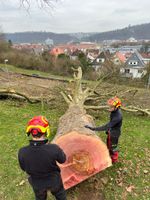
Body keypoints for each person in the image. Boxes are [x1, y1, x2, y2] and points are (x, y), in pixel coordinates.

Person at [18, 116, 67, 200]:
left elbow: (23, 168)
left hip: (37, 182)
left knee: (40, 197)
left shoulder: (22, 151)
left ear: (29, 132)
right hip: (54, 181)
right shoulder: (53, 148)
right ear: (46, 131)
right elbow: (63, 160)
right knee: (60, 195)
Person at [85, 97, 122, 163]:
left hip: (114, 133)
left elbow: (106, 126)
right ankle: (109, 154)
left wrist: (93, 128)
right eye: (109, 106)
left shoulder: (117, 116)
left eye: (111, 107)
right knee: (108, 144)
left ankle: (114, 159)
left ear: (116, 107)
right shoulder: (114, 111)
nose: (109, 108)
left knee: (113, 146)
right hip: (111, 130)